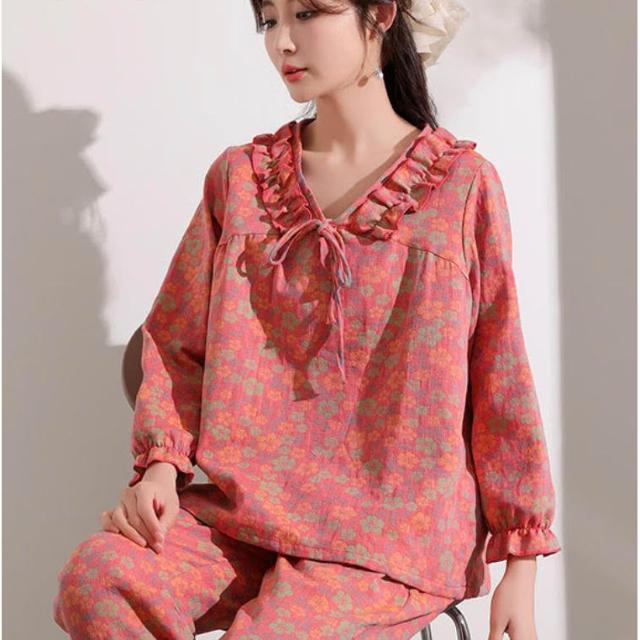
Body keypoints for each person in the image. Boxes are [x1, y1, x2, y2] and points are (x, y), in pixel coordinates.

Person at [53, 0, 562, 638]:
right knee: (98, 576)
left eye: (309, 13)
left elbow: (500, 377)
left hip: (388, 540)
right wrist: (160, 466)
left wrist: (520, 561)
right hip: (244, 520)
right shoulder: (241, 180)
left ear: (380, 13)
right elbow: (175, 341)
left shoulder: (461, 188)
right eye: (270, 20)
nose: (282, 43)